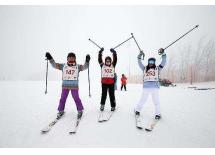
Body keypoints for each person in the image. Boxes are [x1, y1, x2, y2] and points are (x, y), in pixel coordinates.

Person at [45, 52, 90, 119]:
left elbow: (85, 67)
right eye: (70, 57)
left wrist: (87, 61)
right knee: (62, 98)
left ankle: (80, 110)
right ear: (67, 58)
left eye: (72, 57)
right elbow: (54, 65)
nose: (71, 58)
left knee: (76, 98)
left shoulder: (78, 66)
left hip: (74, 86)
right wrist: (50, 58)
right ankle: (61, 110)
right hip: (65, 86)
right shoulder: (63, 66)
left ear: (75, 58)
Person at [134, 48, 167, 120]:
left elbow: (163, 62)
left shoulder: (158, 68)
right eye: (150, 61)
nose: (151, 63)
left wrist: (163, 54)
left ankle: (157, 114)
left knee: (156, 101)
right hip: (146, 87)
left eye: (152, 62)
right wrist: (140, 56)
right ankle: (137, 110)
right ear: (148, 62)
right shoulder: (144, 68)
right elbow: (139, 63)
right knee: (143, 99)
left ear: (154, 62)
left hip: (155, 87)